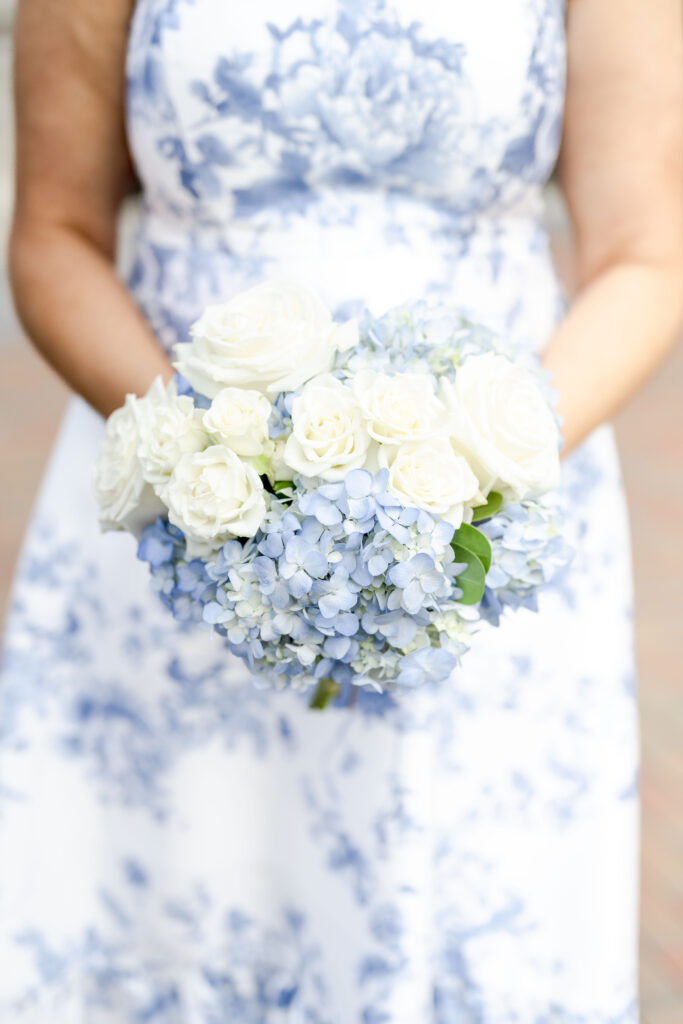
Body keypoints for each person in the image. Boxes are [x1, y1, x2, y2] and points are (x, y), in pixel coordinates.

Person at [1, 0, 682, 1019]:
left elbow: (644, 255)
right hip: (182, 513)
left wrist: (474, 478)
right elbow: (54, 234)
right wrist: (202, 467)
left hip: (478, 534)